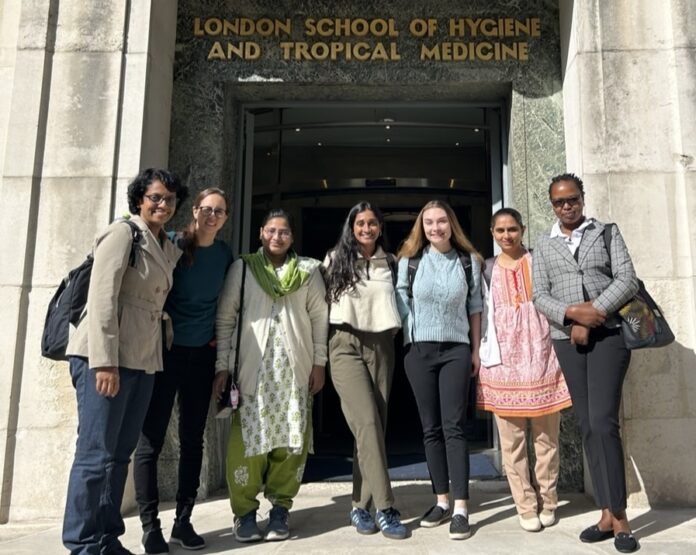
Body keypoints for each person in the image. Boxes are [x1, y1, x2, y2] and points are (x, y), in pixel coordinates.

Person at [63, 168, 187, 555]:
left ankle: (107, 536)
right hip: (106, 358)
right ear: (139, 200)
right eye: (155, 197)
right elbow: (102, 300)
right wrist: (105, 363)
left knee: (119, 456)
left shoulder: (164, 243)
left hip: (143, 359)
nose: (162, 204)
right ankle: (82, 543)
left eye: (169, 199)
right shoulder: (122, 234)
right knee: (95, 452)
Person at [532, 173, 639, 553]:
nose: (567, 207)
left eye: (572, 199)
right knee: (587, 426)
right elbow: (539, 295)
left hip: (610, 336)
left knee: (603, 422)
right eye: (560, 202)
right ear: (552, 205)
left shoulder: (606, 232)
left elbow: (627, 279)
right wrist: (571, 318)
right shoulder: (543, 245)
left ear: (582, 198)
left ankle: (622, 516)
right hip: (568, 342)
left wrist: (594, 312)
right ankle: (606, 512)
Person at [213, 208, 328, 543]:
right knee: (246, 444)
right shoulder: (244, 268)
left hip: (294, 371)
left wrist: (319, 362)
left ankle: (280, 508)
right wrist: (223, 366)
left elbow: (320, 318)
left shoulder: (307, 270)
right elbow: (226, 319)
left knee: (291, 443)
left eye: (284, 232)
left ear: (292, 237)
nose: (277, 237)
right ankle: (245, 513)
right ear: (261, 232)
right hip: (253, 371)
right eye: (272, 231)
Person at [133, 188, 233, 553]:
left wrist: (222, 362)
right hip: (164, 354)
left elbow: (226, 309)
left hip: (202, 357)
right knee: (151, 441)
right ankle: (149, 526)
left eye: (219, 212)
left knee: (194, 440)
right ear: (194, 212)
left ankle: (183, 521)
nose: (212, 216)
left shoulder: (224, 255)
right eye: (206, 209)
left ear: (225, 218)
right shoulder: (171, 244)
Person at [476, 207, 572, 532]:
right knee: (512, 444)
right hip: (503, 366)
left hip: (543, 359)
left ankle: (550, 499)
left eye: (513, 229)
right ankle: (525, 504)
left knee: (547, 440)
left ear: (523, 229)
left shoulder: (538, 261)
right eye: (501, 230)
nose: (507, 236)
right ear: (492, 233)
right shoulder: (486, 269)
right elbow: (481, 315)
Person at [395, 199, 483, 541]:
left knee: (454, 428)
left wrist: (475, 349)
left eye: (442, 221)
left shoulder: (468, 261)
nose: (435, 228)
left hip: (456, 351)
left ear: (452, 225)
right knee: (430, 429)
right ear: (422, 226)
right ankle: (441, 501)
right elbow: (400, 301)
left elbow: (476, 306)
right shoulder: (410, 261)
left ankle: (461, 507)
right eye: (429, 222)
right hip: (419, 351)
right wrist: (409, 337)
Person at [322, 202, 406, 540]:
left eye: (372, 223)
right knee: (367, 422)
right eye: (360, 223)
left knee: (372, 429)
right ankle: (385, 508)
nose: (367, 228)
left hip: (382, 343)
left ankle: (359, 506)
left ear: (380, 227)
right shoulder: (334, 259)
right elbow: (317, 306)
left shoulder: (392, 263)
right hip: (343, 343)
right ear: (351, 226)